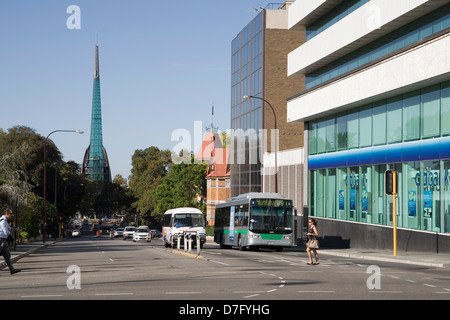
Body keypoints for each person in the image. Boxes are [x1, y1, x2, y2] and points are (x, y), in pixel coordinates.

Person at [0, 208, 21, 274]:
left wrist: (14, 229)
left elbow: (9, 228)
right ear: (6, 214)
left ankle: (12, 270)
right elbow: (5, 231)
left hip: (4, 240)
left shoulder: (5, 220)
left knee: (7, 255)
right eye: (10, 214)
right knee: (6, 254)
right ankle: (12, 269)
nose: (11, 216)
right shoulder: (3, 221)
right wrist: (10, 233)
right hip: (0, 240)